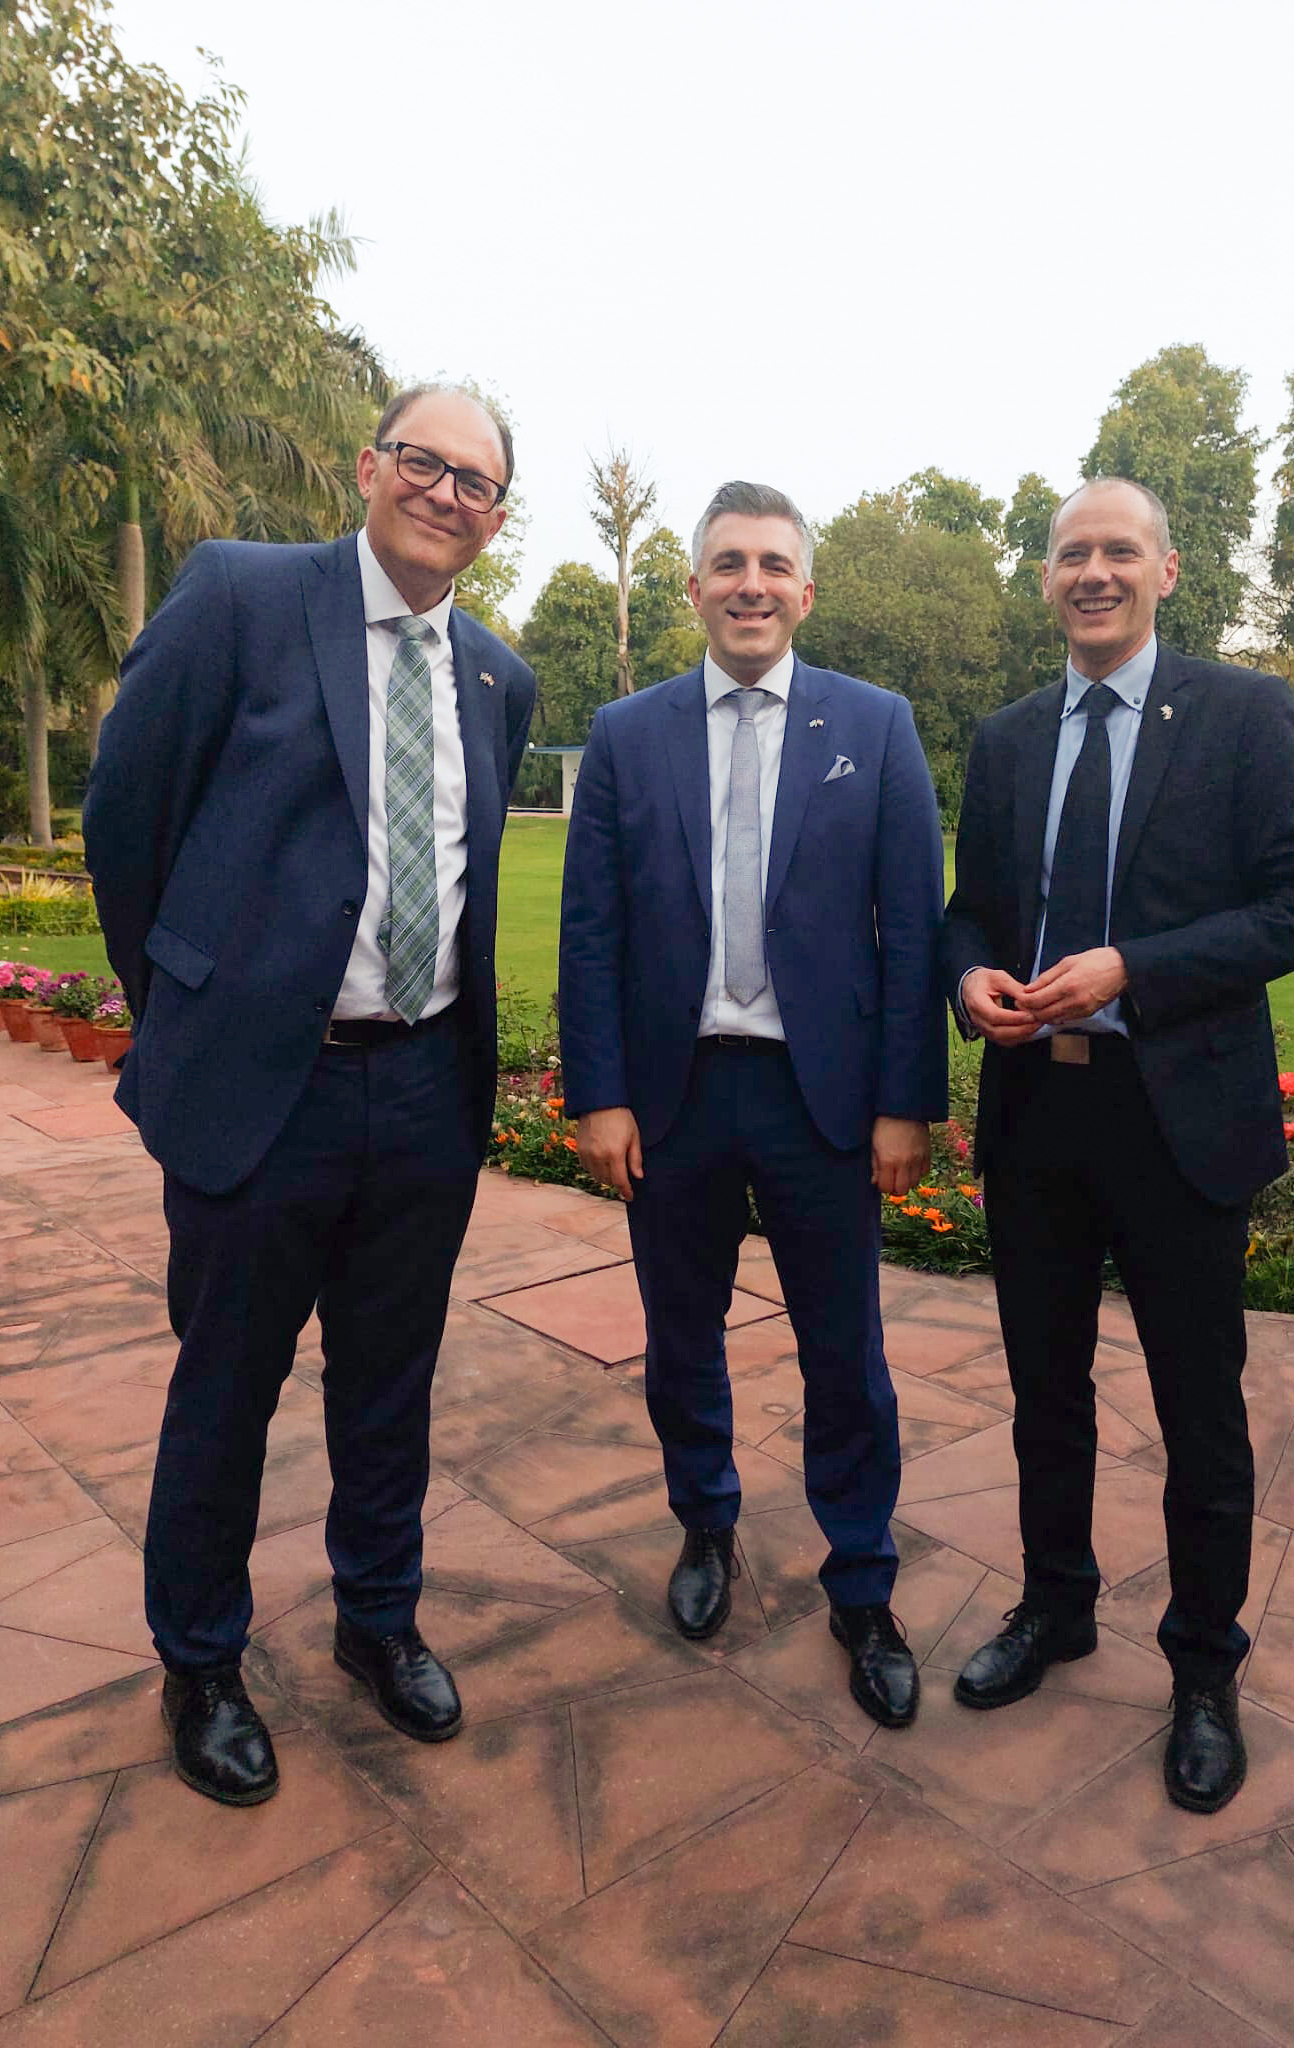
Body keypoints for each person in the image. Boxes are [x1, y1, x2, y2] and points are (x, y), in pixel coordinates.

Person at [84, 385, 535, 1805]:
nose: (445, 492)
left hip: (421, 1090)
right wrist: (192, 1020)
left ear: (496, 516)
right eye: (424, 461)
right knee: (226, 1387)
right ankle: (201, 1661)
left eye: (475, 480)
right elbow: (125, 818)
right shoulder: (242, 598)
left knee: (390, 1384)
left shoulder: (498, 681)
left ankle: (376, 1621)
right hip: (262, 1096)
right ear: (370, 467)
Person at [942, 477, 1294, 1812]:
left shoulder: (1241, 715)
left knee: (1198, 1412)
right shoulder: (1005, 741)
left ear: (1168, 570)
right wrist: (972, 981)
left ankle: (1204, 1671)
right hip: (1038, 1111)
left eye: (1120, 551)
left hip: (1179, 1117)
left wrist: (1133, 968)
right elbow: (971, 915)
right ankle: (1055, 1609)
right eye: (1072, 554)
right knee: (1044, 1396)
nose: (1094, 572)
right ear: (1046, 578)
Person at [559, 480, 947, 1728]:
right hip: (674, 1101)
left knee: (848, 1356)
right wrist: (601, 1096)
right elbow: (593, 931)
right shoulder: (627, 734)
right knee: (683, 1340)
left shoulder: (876, 726)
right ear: (694, 586)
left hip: (818, 1099)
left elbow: (912, 933)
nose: (751, 583)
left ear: (806, 588)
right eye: (728, 562)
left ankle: (864, 1581)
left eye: (774, 563)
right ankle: (706, 1526)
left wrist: (906, 1103)